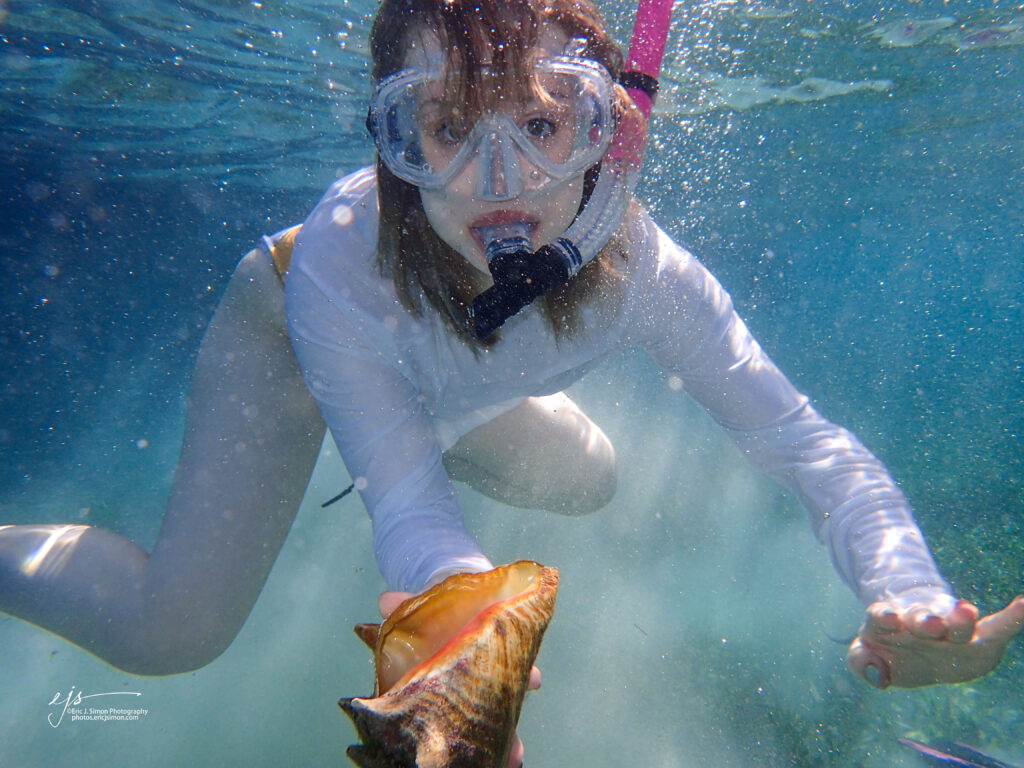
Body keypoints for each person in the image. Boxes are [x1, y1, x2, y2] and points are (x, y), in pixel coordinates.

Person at [0, 0, 1020, 758]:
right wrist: (460, 636)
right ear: (392, 144)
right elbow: (407, 501)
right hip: (291, 355)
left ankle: (439, 411)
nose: (502, 186)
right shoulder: (341, 259)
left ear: (606, 131)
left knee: (590, 478)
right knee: (169, 636)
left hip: (439, 376)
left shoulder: (646, 276)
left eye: (540, 125)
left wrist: (909, 591)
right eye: (445, 128)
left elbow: (803, 442)